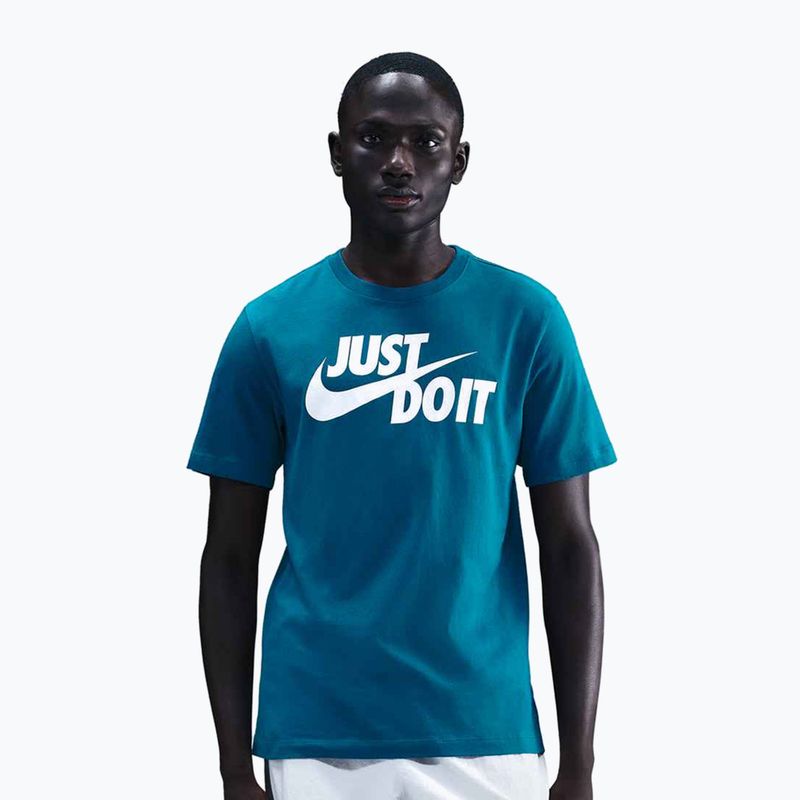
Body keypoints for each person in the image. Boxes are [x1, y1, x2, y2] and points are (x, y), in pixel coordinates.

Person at [188, 51, 617, 800]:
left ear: (460, 161)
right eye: (374, 137)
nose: (398, 161)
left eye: (425, 141)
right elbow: (227, 555)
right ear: (336, 153)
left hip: (484, 733)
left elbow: (570, 544)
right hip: (318, 734)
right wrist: (231, 767)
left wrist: (579, 766)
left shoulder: (525, 319)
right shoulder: (270, 328)